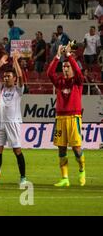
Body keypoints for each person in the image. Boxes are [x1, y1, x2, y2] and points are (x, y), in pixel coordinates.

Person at [47, 42, 86, 187]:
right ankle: (65, 178)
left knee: (76, 149)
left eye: (67, 66)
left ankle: (82, 169)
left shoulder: (77, 81)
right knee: (61, 148)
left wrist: (69, 55)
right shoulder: (59, 82)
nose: (65, 69)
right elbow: (49, 73)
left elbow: (79, 72)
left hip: (74, 117)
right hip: (60, 118)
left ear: (72, 68)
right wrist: (58, 55)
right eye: (63, 67)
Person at [0, 51, 27, 185]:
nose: (5, 78)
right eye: (4, 76)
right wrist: (0, 63)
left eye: (8, 76)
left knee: (17, 150)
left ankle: (23, 177)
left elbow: (21, 77)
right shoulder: (1, 88)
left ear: (14, 78)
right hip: (0, 124)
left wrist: (15, 60)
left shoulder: (18, 89)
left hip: (13, 123)